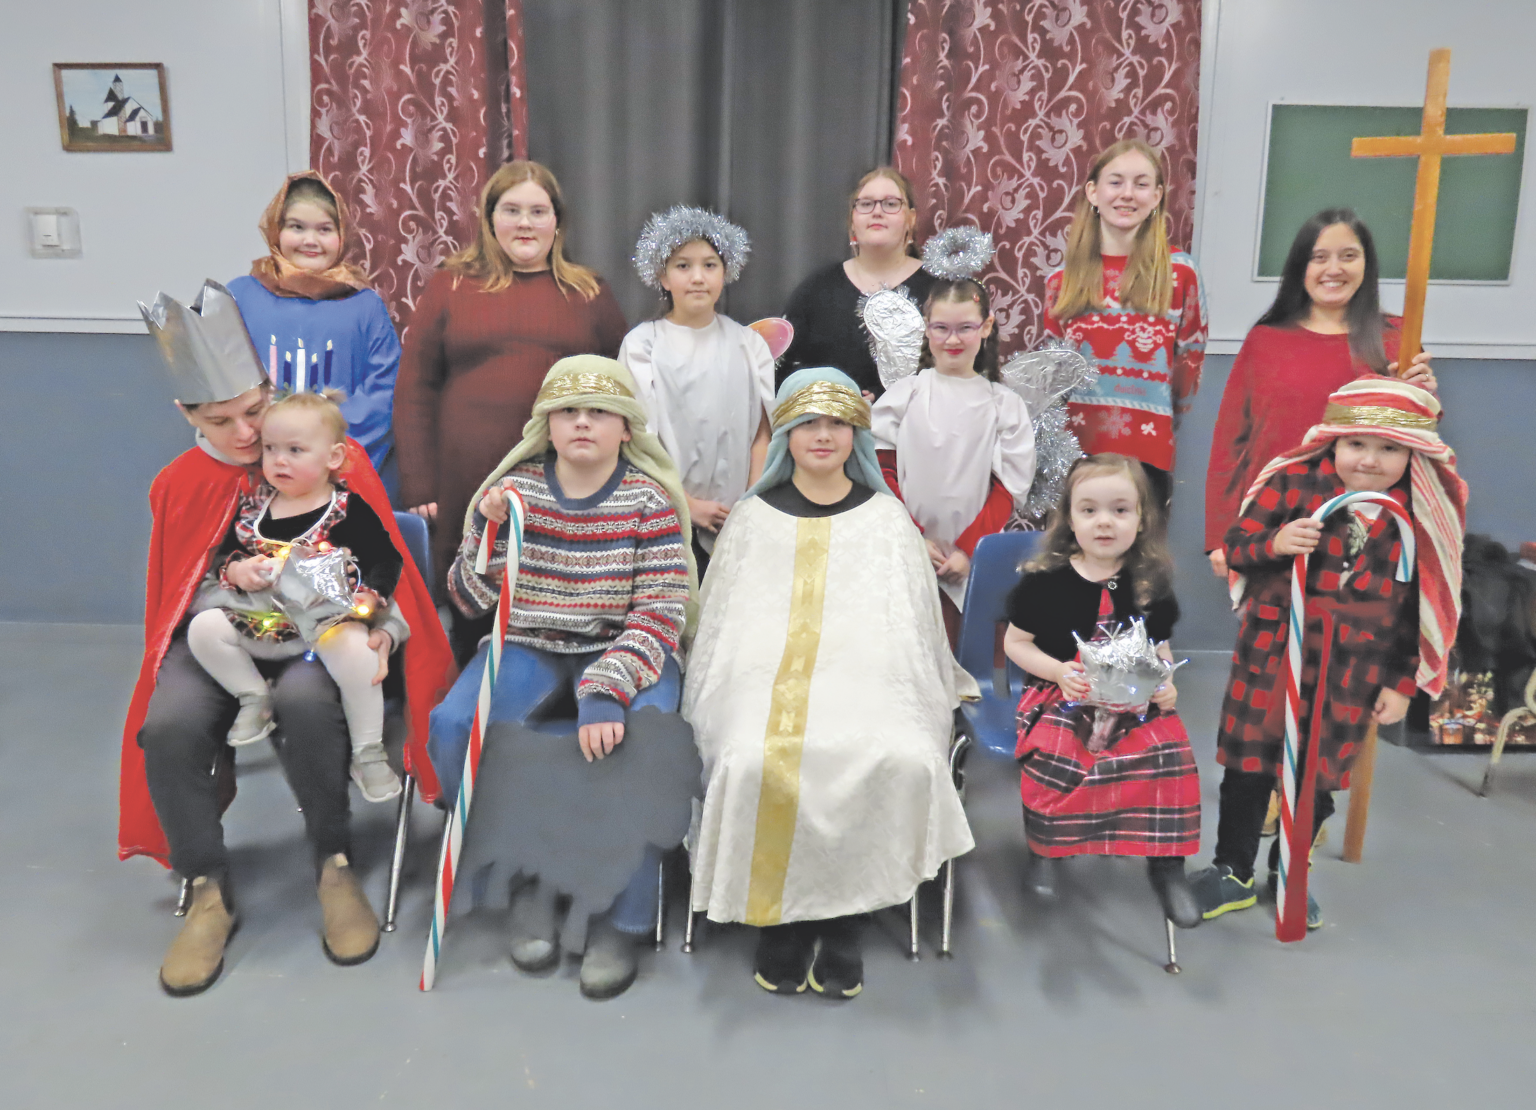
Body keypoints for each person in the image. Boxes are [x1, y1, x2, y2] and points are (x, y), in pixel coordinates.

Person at [124, 281, 454, 997]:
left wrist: (381, 627)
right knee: (171, 727)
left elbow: (381, 565)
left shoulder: (329, 459)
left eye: (254, 411)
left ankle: (333, 865)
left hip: (313, 633)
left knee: (310, 703)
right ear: (187, 414)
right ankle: (206, 886)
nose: (247, 435)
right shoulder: (178, 483)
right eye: (223, 420)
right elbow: (176, 595)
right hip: (223, 632)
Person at [683, 367, 975, 1000]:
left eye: (837, 423)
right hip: (758, 676)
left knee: (896, 752)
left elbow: (909, 629)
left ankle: (847, 916)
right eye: (807, 422)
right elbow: (726, 632)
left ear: (858, 435)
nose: (822, 435)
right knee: (751, 755)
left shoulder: (889, 521)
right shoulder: (753, 519)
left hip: (872, 674)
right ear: (784, 431)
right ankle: (777, 915)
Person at [427, 355, 698, 1001]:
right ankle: (528, 874)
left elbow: (662, 607)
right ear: (545, 427)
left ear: (626, 429)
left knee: (648, 741)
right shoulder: (515, 492)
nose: (582, 423)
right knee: (457, 722)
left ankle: (621, 916)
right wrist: (489, 535)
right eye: (567, 412)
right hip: (531, 642)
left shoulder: (647, 500)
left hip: (624, 647)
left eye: (599, 412)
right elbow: (467, 600)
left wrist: (606, 689)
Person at [1191, 378, 1466, 928]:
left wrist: (1400, 681)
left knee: (1317, 777)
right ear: (1333, 440)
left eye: (1390, 449)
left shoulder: (1418, 514)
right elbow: (1238, 546)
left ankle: (1290, 871)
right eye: (1357, 444)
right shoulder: (1294, 482)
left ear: (1413, 454)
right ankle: (1232, 871)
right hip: (1274, 652)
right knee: (1250, 767)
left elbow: (1423, 608)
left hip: (1353, 668)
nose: (1370, 461)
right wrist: (1275, 544)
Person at [393, 160, 628, 650]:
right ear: (490, 219)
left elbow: (618, 391)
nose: (525, 223)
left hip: (564, 485)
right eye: (512, 210)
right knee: (474, 605)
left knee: (553, 603)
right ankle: (476, 716)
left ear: (557, 221)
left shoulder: (589, 292)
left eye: (538, 211)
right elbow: (415, 385)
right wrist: (418, 480)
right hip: (465, 481)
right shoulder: (451, 285)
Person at [1002, 453, 1202, 927]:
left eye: (1120, 509)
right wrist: (1056, 672)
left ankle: (1168, 865)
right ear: (1069, 519)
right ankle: (1048, 849)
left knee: (1169, 755)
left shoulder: (1150, 582)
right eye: (1089, 510)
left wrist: (1166, 684)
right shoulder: (1043, 583)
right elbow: (1016, 644)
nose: (1104, 522)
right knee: (1056, 754)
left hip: (1133, 699)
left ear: (1141, 519)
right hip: (1062, 694)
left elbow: (1161, 649)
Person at [185, 390, 405, 804]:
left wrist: (370, 601)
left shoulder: (346, 509)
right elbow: (224, 555)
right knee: (204, 628)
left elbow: (385, 558)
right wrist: (237, 570)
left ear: (334, 458)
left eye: (295, 450)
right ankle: (253, 695)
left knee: (359, 656)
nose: (279, 460)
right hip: (263, 617)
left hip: (325, 621)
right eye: (270, 449)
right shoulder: (255, 510)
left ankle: (368, 750)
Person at [1204, 208, 1438, 576]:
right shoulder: (1265, 340)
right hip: (1272, 525)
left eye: (1348, 256)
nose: (1334, 269)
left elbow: (1416, 444)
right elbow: (1230, 444)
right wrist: (1221, 537)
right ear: (1301, 266)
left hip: (1366, 528)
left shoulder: (1396, 339)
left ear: (1367, 264)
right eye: (1319, 257)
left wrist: (1422, 399)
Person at [1041, 139, 1206, 506]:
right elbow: (1054, 378)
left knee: (1141, 561)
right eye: (1116, 182)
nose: (1127, 194)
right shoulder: (1060, 282)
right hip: (1075, 454)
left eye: (1141, 183)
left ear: (1158, 195)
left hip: (1148, 454)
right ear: (1093, 193)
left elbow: (1189, 366)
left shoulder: (1180, 274)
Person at [226, 172, 403, 497]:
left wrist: (323, 455)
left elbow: (383, 391)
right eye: (297, 227)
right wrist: (262, 442)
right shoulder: (240, 297)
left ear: (342, 235)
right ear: (276, 230)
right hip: (256, 467)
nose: (310, 240)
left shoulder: (364, 306)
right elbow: (221, 380)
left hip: (337, 473)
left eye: (324, 229)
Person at [619, 205, 774, 574]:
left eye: (709, 264)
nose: (698, 277)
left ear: (726, 272)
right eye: (683, 265)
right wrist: (684, 504)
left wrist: (747, 507)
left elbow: (762, 435)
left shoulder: (748, 344)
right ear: (663, 276)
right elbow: (638, 439)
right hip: (662, 518)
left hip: (735, 522)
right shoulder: (643, 345)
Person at [872, 276, 1036, 622]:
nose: (953, 339)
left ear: (986, 326)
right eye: (941, 328)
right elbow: (881, 472)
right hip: (907, 553)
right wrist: (914, 538)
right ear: (926, 329)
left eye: (965, 328)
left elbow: (1007, 488)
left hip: (970, 562)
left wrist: (969, 551)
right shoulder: (905, 396)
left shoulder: (1003, 406)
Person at [778, 167, 936, 398]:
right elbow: (783, 373)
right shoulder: (816, 291)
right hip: (829, 430)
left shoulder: (939, 292)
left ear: (910, 219)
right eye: (865, 204)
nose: (877, 212)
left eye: (891, 204)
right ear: (852, 221)